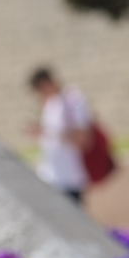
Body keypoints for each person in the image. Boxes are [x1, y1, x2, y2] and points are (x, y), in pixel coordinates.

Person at [28, 67, 93, 201]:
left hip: (69, 178)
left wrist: (48, 132)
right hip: (49, 176)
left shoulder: (73, 99)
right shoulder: (51, 103)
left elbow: (82, 139)